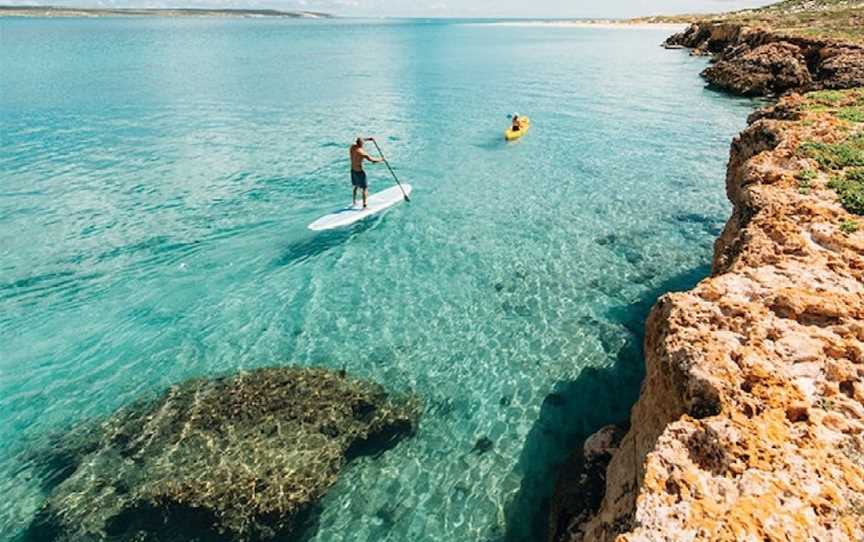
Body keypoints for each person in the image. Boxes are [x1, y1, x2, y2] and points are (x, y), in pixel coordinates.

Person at [350, 137, 382, 209]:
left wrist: (368, 139)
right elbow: (372, 160)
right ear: (362, 144)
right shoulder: (362, 153)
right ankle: (364, 205)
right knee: (365, 188)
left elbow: (360, 139)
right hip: (360, 172)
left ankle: (354, 202)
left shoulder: (352, 147)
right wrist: (381, 160)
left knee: (355, 186)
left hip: (353, 170)